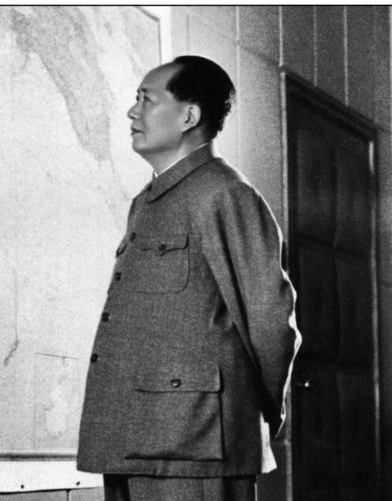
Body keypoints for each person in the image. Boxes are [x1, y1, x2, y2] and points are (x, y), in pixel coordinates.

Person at [76, 55, 301, 501]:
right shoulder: (147, 201)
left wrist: (255, 413)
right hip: (132, 438)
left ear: (189, 116)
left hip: (195, 444)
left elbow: (272, 324)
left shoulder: (226, 194)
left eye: (147, 100)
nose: (132, 112)